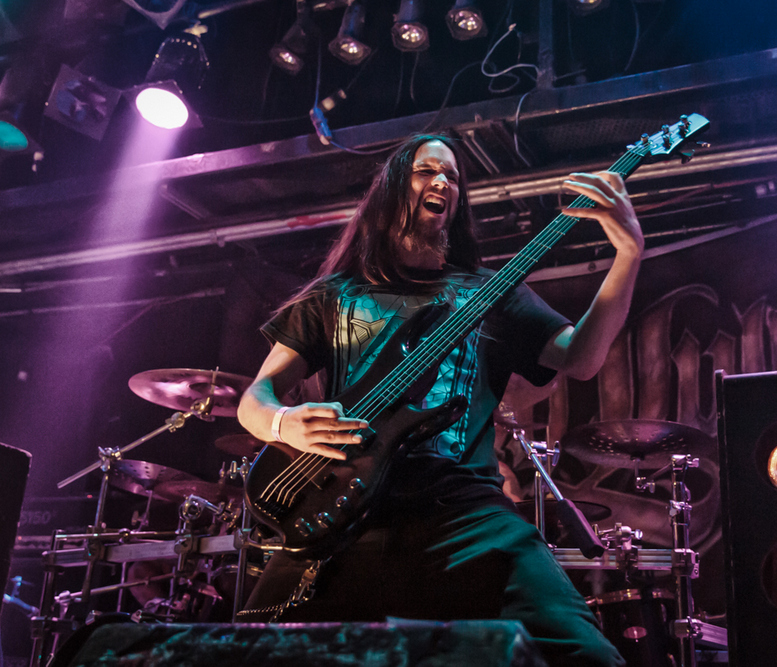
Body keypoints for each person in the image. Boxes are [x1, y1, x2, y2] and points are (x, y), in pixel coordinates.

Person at [236, 134, 643, 667]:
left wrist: (629, 255)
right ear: (390, 187)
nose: (444, 182)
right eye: (427, 170)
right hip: (348, 511)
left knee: (586, 655)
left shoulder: (490, 292)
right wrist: (285, 423)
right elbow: (255, 398)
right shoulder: (333, 296)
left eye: (452, 176)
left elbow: (582, 358)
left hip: (465, 511)